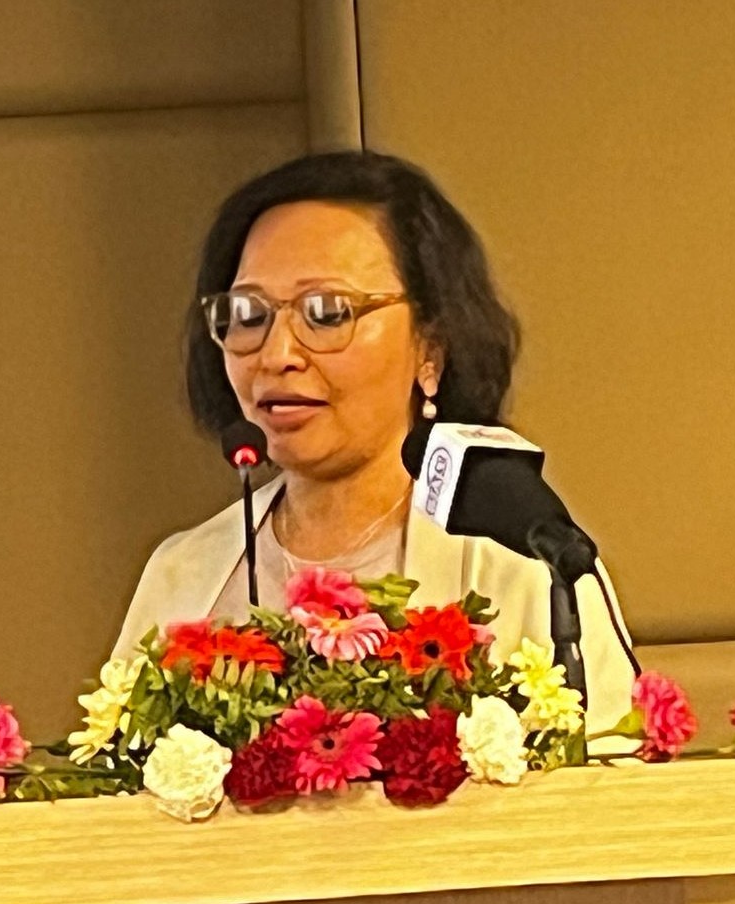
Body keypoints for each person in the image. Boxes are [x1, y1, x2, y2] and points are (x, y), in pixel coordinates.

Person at [107, 150, 636, 735]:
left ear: (430, 346)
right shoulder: (182, 573)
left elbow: (608, 777)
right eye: (249, 314)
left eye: (327, 313)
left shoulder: (526, 563)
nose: (276, 355)